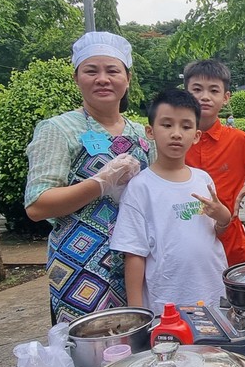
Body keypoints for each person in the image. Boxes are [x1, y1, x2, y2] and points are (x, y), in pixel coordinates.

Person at [25, 32, 152, 323]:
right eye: (91, 71)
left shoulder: (142, 134)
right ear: (76, 78)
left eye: (112, 70)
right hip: (80, 267)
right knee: (88, 354)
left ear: (127, 78)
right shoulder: (58, 130)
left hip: (137, 263)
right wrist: (100, 183)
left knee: (139, 350)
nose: (103, 79)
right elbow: (37, 205)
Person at [111, 89, 230, 313]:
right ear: (150, 131)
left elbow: (217, 231)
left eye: (185, 127)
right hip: (167, 302)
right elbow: (134, 254)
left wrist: (222, 216)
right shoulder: (140, 187)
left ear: (196, 135)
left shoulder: (202, 179)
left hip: (213, 291)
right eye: (167, 125)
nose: (176, 133)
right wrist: (137, 313)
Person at [183, 59, 245, 265]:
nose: (205, 97)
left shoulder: (239, 140)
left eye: (214, 90)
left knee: (238, 294)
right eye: (197, 89)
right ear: (185, 92)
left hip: (230, 241)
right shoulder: (175, 140)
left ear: (226, 98)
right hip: (183, 238)